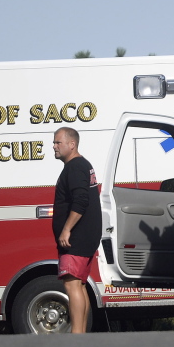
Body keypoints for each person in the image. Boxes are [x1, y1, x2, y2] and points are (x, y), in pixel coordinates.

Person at [51, 127, 101, 334]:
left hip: (77, 239)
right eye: (54, 142)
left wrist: (66, 230)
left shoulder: (75, 167)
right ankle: (81, 335)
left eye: (57, 142)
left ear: (72, 144)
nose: (53, 146)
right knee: (79, 285)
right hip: (85, 237)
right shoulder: (82, 165)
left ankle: (77, 336)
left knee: (72, 286)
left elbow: (81, 201)